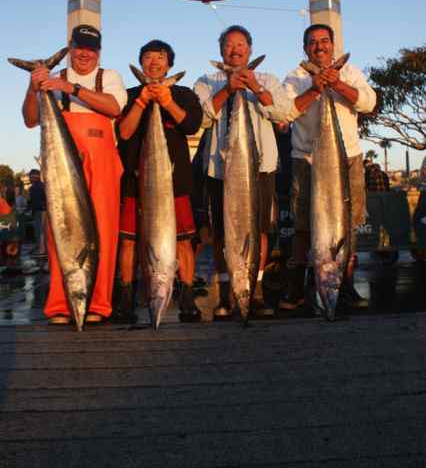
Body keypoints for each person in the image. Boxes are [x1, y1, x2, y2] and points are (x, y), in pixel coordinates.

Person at [22, 24, 127, 325]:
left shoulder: (108, 77)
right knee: (60, 230)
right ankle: (59, 304)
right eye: (79, 47)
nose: (84, 54)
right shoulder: (53, 81)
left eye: (90, 49)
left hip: (102, 166)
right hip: (62, 162)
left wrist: (73, 89)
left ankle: (99, 304)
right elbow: (30, 119)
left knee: (104, 234)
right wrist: (34, 87)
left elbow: (115, 108)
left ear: (99, 52)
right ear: (70, 48)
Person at [193, 25, 291, 318]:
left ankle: (255, 291)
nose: (234, 50)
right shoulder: (206, 81)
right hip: (220, 170)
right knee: (224, 232)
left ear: (249, 48)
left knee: (259, 229)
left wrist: (255, 88)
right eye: (228, 45)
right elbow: (202, 118)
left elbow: (281, 113)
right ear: (221, 50)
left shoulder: (268, 79)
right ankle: (225, 294)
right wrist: (228, 89)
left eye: (240, 45)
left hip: (259, 168)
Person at [280, 23, 377, 310]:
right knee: (301, 225)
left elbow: (369, 103)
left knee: (349, 222)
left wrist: (336, 84)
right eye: (313, 42)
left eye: (324, 41)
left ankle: (344, 283)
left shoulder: (349, 72)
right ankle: (297, 286)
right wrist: (315, 88)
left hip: (347, 158)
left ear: (333, 45)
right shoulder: (296, 77)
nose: (319, 46)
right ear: (305, 48)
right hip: (306, 159)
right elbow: (285, 111)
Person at [116, 39, 203, 323]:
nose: (154, 63)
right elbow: (125, 133)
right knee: (128, 243)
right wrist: (143, 102)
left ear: (169, 65)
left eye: (160, 58)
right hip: (133, 180)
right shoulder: (128, 95)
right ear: (141, 64)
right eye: (148, 58)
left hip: (173, 182)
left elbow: (191, 126)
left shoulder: (183, 93)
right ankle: (127, 298)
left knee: (183, 242)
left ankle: (187, 297)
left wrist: (165, 101)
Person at [27, 169, 46, 256]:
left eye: (30, 176)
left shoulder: (34, 188)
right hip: (41, 210)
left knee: (40, 231)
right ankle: (41, 247)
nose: (29, 179)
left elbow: (33, 201)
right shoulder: (42, 186)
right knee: (39, 230)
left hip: (41, 211)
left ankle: (42, 249)